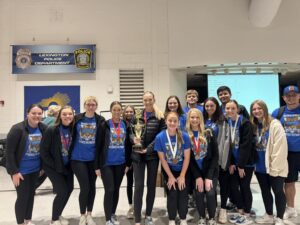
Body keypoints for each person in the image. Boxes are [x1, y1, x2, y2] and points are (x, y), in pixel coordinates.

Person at [6, 104, 47, 225]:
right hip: (20, 171)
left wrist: (42, 167)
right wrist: (14, 172)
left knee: (31, 195)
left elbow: (44, 150)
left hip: (35, 170)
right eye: (34, 113)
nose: (37, 116)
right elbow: (9, 152)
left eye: (39, 113)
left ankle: (28, 220)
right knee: (23, 197)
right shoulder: (17, 129)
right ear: (27, 113)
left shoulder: (43, 128)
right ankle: (20, 223)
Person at [250, 100, 288, 225]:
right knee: (265, 192)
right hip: (260, 167)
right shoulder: (255, 126)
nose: (256, 111)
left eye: (259, 108)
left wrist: (275, 168)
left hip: (274, 167)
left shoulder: (275, 124)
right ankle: (269, 215)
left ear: (265, 109)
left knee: (278, 191)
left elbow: (280, 148)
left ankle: (280, 217)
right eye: (254, 109)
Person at [70, 96, 106, 225]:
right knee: (84, 187)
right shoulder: (77, 119)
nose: (91, 106)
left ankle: (89, 214)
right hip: (78, 159)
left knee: (92, 187)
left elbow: (102, 142)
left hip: (93, 160)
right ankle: (82, 215)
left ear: (96, 106)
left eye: (93, 104)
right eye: (88, 104)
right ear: (84, 105)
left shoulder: (100, 120)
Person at [131, 91, 166, 225]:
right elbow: (130, 132)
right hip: (137, 155)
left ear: (154, 99)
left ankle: (149, 215)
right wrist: (134, 139)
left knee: (151, 186)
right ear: (142, 101)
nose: (147, 102)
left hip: (152, 155)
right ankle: (138, 218)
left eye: (150, 99)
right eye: (145, 100)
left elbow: (161, 135)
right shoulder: (137, 116)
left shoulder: (160, 117)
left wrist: (148, 149)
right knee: (139, 186)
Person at [40, 106, 75, 225]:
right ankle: (54, 219)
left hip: (67, 166)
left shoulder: (73, 129)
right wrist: (55, 166)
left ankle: (59, 214)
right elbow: (44, 152)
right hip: (53, 167)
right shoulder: (52, 129)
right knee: (62, 191)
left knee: (69, 189)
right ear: (60, 115)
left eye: (70, 114)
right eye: (64, 114)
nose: (67, 116)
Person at [154, 111, 191, 225]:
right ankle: (171, 219)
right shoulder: (160, 137)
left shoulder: (184, 136)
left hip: (183, 170)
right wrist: (170, 176)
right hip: (169, 170)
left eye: (175, 121)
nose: (172, 123)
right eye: (170, 120)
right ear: (166, 121)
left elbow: (186, 158)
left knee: (183, 192)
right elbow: (163, 160)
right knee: (172, 193)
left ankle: (183, 218)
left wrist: (182, 176)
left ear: (178, 122)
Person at [271, 85, 300, 220]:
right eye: (288, 96)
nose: (291, 98)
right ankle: (291, 208)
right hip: (288, 154)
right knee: (289, 182)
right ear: (283, 98)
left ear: (299, 96)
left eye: (294, 95)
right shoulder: (278, 112)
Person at [226, 100, 256, 225]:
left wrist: (241, 165)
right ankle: (240, 209)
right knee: (233, 186)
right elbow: (229, 146)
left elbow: (246, 145)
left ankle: (247, 212)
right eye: (227, 108)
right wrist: (232, 163)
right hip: (234, 162)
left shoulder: (245, 122)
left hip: (246, 163)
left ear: (237, 109)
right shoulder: (226, 122)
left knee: (244, 186)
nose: (230, 111)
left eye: (233, 108)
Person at [186, 108, 219, 225]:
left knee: (210, 193)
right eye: (192, 117)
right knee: (199, 193)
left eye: (197, 117)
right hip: (196, 172)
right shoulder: (185, 136)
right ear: (188, 119)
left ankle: (211, 218)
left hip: (210, 171)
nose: (194, 120)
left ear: (201, 119)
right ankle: (201, 217)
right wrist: (198, 177)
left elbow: (215, 156)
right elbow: (188, 160)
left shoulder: (208, 133)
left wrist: (209, 177)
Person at [102, 101, 131, 225]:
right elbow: (99, 145)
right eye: (114, 109)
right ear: (111, 111)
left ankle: (113, 213)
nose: (117, 112)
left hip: (121, 163)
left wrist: (128, 164)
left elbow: (128, 145)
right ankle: (108, 219)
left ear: (121, 111)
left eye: (119, 110)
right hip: (107, 163)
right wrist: (97, 166)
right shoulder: (105, 125)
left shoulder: (125, 124)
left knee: (116, 189)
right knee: (109, 189)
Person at [123, 105, 135, 219]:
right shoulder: (122, 124)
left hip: (138, 157)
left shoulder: (138, 124)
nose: (129, 113)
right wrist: (128, 162)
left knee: (139, 184)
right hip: (127, 159)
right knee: (129, 183)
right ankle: (130, 207)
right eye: (127, 112)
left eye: (131, 111)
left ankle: (138, 206)